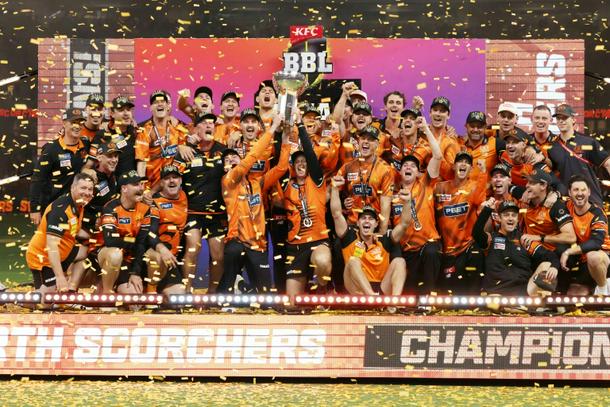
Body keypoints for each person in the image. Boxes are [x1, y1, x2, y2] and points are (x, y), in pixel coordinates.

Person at [217, 113, 289, 294]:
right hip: (236, 242)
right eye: (227, 160)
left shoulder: (257, 183)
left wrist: (285, 139)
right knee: (227, 287)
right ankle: (225, 296)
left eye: (234, 157)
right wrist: (272, 128)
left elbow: (281, 168)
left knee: (265, 296)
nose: (231, 160)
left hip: (257, 244)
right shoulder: (228, 180)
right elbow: (252, 156)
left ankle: (244, 288)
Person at [331, 176, 411, 296]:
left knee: (400, 261)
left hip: (381, 288)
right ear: (358, 223)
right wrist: (335, 188)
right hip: (356, 289)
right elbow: (336, 214)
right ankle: (370, 296)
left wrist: (408, 202)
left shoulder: (384, 239)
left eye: (371, 219)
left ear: (376, 224)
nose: (367, 221)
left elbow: (404, 224)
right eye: (363, 218)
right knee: (353, 261)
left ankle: (395, 301)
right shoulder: (350, 236)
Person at [174, 112, 227, 292]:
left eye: (212, 123)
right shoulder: (187, 150)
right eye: (204, 123)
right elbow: (172, 175)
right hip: (193, 212)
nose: (209, 126)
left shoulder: (223, 150)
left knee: (218, 256)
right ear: (196, 129)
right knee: (192, 250)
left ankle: (212, 295)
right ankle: (186, 292)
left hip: (217, 213)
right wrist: (183, 146)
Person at [391, 114, 442, 294]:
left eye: (413, 166)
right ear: (399, 171)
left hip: (428, 244)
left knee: (431, 253)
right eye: (405, 165)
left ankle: (428, 300)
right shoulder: (392, 194)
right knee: (409, 293)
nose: (408, 167)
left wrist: (425, 128)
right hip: (405, 249)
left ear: (418, 171)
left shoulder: (426, 183)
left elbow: (437, 155)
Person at [283, 119, 332, 297]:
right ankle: (305, 290)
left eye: (304, 161)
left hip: (318, 241)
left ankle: (322, 288)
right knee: (292, 303)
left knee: (322, 261)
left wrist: (301, 126)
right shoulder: (286, 185)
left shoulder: (316, 181)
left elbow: (311, 154)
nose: (302, 164)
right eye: (297, 162)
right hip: (295, 246)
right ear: (293, 166)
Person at [473, 199, 561, 296]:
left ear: (517, 219)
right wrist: (487, 210)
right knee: (493, 299)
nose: (510, 218)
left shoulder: (524, 240)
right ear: (499, 218)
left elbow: (550, 255)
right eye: (506, 215)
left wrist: (554, 267)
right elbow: (476, 233)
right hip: (496, 292)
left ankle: (537, 302)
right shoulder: (491, 239)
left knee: (547, 265)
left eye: (513, 215)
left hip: (523, 293)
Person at [26, 173, 95, 293]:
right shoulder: (61, 210)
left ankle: (71, 290)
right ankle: (26, 298)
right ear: (73, 188)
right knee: (47, 299)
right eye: (83, 188)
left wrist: (97, 237)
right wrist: (60, 276)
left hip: (64, 253)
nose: (87, 192)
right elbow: (52, 246)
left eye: (90, 189)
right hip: (43, 258)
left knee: (89, 251)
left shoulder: (79, 205)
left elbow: (75, 230)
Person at [434, 151, 487, 294]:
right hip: (446, 249)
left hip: (467, 247)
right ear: (453, 166)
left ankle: (474, 301)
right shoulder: (439, 188)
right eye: (460, 161)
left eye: (467, 163)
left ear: (471, 169)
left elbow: (481, 202)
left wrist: (483, 172)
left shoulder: (474, 187)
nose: (463, 164)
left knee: (476, 255)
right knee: (448, 292)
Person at [97, 170, 157, 294]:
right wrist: (134, 242)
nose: (141, 188)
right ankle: (107, 294)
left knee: (134, 299)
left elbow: (142, 242)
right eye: (135, 185)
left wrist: (135, 272)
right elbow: (110, 240)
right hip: (106, 255)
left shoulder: (145, 209)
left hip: (131, 257)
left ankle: (151, 291)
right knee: (115, 254)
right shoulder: (110, 207)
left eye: (141, 184)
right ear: (124, 189)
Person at [30, 107, 89, 224]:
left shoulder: (86, 145)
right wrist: (34, 209)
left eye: (80, 123)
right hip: (52, 206)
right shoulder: (50, 149)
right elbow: (37, 179)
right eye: (73, 122)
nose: (77, 126)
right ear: (64, 123)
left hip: (74, 207)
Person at [519, 169, 577, 286]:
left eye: (532, 183)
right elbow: (508, 186)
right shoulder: (525, 197)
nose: (527, 186)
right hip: (531, 251)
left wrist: (540, 237)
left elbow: (571, 237)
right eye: (527, 182)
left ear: (543, 186)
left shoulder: (556, 206)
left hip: (552, 255)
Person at [547, 103, 610, 206]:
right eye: (558, 118)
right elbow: (552, 174)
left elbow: (607, 163)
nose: (561, 121)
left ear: (573, 119)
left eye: (565, 117)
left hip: (591, 200)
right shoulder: (552, 147)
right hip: (566, 202)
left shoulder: (588, 142)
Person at [336, 125, 393, 234]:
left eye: (370, 139)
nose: (366, 142)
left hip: (374, 225)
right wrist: (343, 203)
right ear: (358, 141)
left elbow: (385, 206)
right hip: (353, 224)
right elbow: (333, 192)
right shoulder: (347, 167)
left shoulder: (385, 169)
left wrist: (381, 235)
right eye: (363, 138)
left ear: (377, 144)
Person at [560, 175, 610, 295]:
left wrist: (568, 252)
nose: (579, 193)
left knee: (593, 257)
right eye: (576, 190)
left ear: (589, 192)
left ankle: (603, 290)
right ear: (569, 193)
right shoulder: (567, 206)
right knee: (574, 296)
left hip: (603, 255)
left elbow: (596, 242)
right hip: (583, 258)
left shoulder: (597, 213)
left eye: (583, 190)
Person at [136, 90, 189, 195]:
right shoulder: (145, 131)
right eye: (156, 102)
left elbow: (184, 153)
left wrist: (181, 146)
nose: (159, 104)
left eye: (162, 101)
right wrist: (142, 188)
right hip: (152, 188)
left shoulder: (177, 127)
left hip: (174, 186)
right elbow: (141, 162)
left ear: (168, 106)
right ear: (151, 108)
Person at [148, 165, 188, 295]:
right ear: (161, 183)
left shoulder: (184, 196)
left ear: (180, 181)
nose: (171, 181)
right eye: (167, 178)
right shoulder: (154, 203)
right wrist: (162, 249)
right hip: (154, 258)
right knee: (156, 256)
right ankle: (150, 291)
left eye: (175, 177)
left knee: (178, 297)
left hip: (172, 260)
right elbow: (149, 234)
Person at [87, 95, 137, 176]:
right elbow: (89, 165)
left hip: (131, 182)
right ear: (112, 113)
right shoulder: (102, 135)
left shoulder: (136, 132)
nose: (126, 114)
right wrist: (88, 171)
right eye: (121, 110)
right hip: (110, 182)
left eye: (128, 110)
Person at [427, 96, 459, 180]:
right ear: (430, 113)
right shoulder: (421, 134)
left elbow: (452, 174)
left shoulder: (451, 140)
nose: (438, 114)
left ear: (448, 115)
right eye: (435, 110)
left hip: (441, 186)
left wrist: (437, 155)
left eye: (442, 111)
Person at [460, 111, 501, 177]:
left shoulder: (496, 143)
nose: (475, 130)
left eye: (479, 127)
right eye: (472, 126)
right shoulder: (459, 146)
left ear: (485, 127)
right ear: (466, 126)